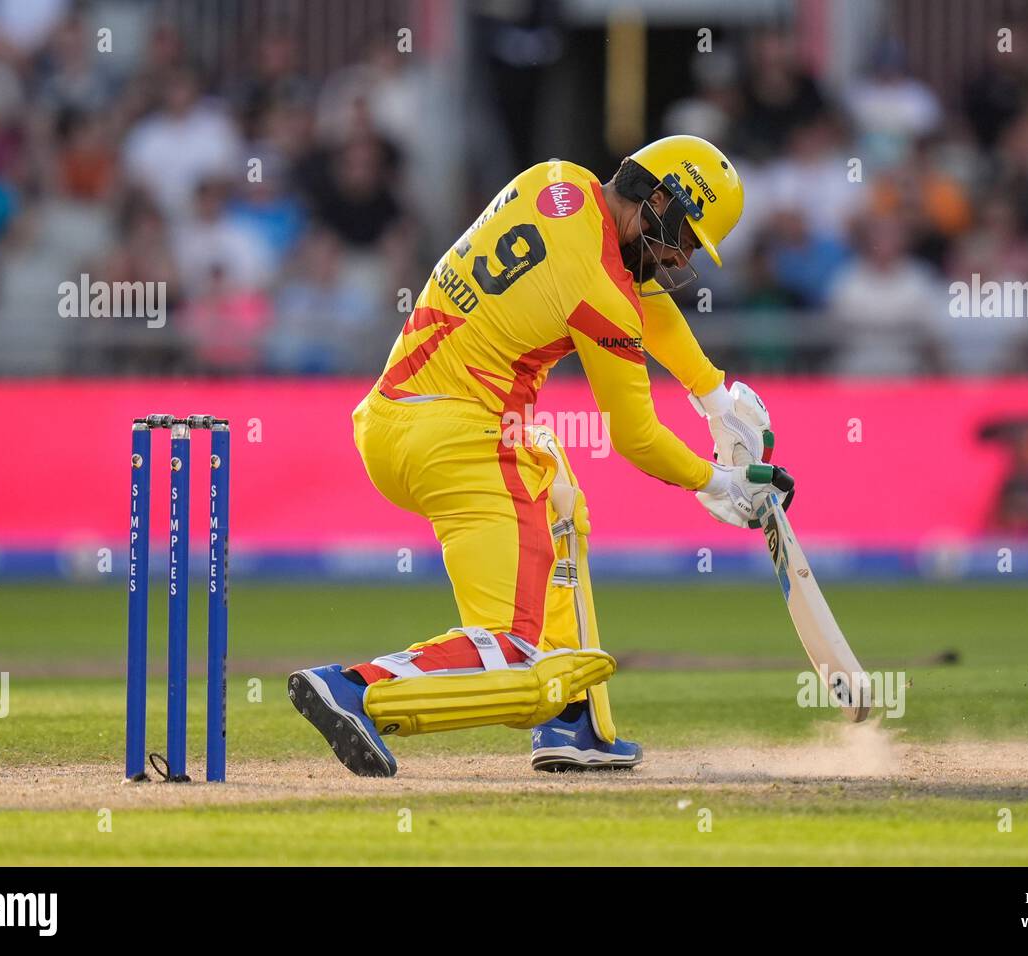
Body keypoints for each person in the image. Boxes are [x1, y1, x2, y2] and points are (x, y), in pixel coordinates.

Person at [289, 135, 790, 777]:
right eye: (685, 236)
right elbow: (635, 435)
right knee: (514, 654)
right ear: (659, 199)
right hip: (464, 438)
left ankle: (571, 722)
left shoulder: (557, 180)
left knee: (560, 496)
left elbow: (641, 298)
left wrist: (712, 395)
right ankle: (354, 686)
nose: (678, 257)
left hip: (395, 420)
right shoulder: (600, 290)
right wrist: (714, 481)